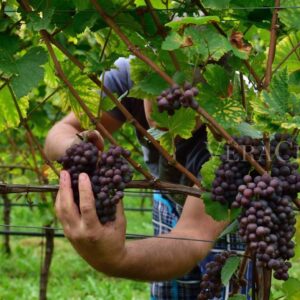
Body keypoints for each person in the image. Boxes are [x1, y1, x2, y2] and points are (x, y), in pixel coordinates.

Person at [45, 57, 251, 299]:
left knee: (224, 289)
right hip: (166, 195)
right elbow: (60, 133)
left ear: (219, 96)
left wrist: (116, 259)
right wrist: (78, 150)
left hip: (228, 215)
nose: (167, 111)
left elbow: (193, 235)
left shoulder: (238, 133)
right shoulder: (130, 74)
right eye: (159, 94)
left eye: (183, 101)